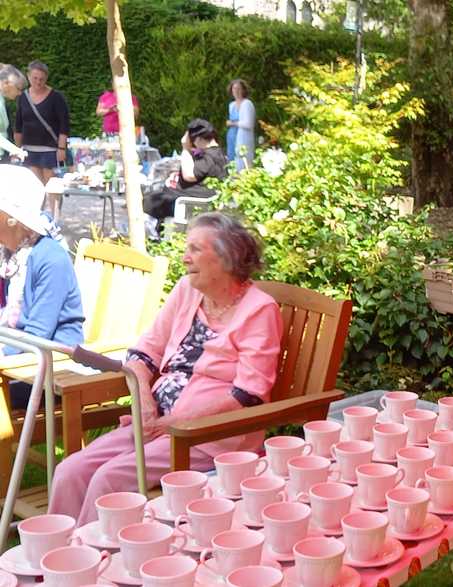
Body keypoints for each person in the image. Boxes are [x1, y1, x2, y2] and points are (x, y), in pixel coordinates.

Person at [49, 212, 282, 525]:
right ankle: (56, 560)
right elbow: (145, 352)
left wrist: (175, 422)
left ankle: (93, 564)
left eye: (196, 249)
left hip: (207, 435)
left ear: (229, 258)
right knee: (70, 471)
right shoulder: (188, 290)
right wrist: (143, 397)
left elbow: (249, 395)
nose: (185, 258)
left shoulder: (260, 310)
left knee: (109, 480)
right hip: (155, 422)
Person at [0, 165, 84, 408]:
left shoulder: (50, 259)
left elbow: (38, 335)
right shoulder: (9, 254)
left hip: (49, 366)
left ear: (11, 218)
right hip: (16, 357)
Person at [144, 118, 228, 232]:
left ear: (197, 139)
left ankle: (152, 235)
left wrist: (185, 148)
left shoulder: (210, 157)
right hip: (192, 200)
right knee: (153, 196)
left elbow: (189, 175)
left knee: (147, 201)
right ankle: (159, 231)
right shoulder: (217, 154)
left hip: (190, 204)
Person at [13, 61, 70, 217]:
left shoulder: (56, 97)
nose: (38, 82)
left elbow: (64, 125)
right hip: (30, 149)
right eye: (35, 78)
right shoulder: (23, 97)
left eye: (42, 79)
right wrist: (17, 149)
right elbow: (18, 125)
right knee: (36, 188)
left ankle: (55, 220)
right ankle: (37, 221)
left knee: (52, 188)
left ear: (46, 79)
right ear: (28, 76)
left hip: (50, 149)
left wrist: (62, 148)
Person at [225, 79, 255, 171]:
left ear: (243, 90)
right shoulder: (231, 105)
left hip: (243, 137)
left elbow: (249, 124)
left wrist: (233, 123)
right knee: (232, 162)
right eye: (234, 89)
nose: (236, 91)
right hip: (232, 136)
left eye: (239, 89)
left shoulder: (247, 104)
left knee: (243, 161)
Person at [0, 64, 28, 162]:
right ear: (6, 83)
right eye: (18, 88)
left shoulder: (2, 100)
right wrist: (14, 149)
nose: (20, 93)